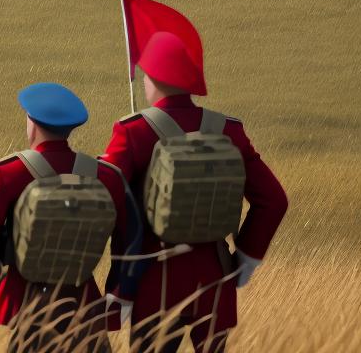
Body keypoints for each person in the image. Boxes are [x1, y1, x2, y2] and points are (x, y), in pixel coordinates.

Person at [102, 33, 287, 353]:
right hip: (215, 280)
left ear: (154, 79)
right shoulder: (229, 131)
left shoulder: (133, 131)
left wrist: (119, 280)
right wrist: (245, 258)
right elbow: (273, 201)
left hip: (153, 282)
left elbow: (105, 203)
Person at [0, 83, 142, 353]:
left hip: (25, 307)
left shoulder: (9, 173)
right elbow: (130, 240)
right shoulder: (107, 176)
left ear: (32, 123)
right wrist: (120, 295)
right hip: (85, 307)